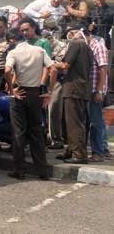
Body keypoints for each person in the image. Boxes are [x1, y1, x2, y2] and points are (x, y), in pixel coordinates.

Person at [4, 28, 56, 180]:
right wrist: (50, 91)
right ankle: (43, 170)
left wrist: (12, 90)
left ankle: (19, 169)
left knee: (18, 132)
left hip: (20, 92)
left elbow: (7, 70)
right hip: (36, 92)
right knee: (36, 131)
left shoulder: (13, 53)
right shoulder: (39, 50)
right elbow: (52, 69)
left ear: (12, 41)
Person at [53, 24, 92, 164]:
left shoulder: (76, 44)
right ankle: (71, 150)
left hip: (74, 88)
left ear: (74, 33)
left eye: (69, 34)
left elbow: (65, 65)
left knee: (73, 122)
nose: (68, 37)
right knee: (76, 121)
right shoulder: (87, 47)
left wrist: (52, 62)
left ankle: (79, 155)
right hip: (82, 88)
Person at [84, 28, 110, 162]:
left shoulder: (98, 46)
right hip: (89, 89)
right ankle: (103, 149)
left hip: (95, 89)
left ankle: (98, 152)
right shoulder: (88, 47)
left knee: (96, 122)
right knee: (94, 121)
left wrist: (99, 91)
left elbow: (103, 69)